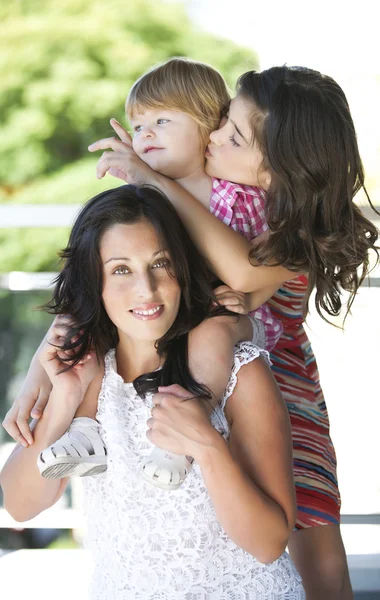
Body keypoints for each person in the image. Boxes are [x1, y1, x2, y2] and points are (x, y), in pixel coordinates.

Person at [85, 60, 379, 599]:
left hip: (283, 388)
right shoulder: (207, 191)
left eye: (234, 135)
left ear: (278, 168)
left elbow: (242, 272)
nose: (215, 136)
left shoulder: (295, 231)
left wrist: (151, 178)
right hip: (203, 381)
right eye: (219, 124)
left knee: (311, 532)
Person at [0, 184, 305, 599]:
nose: (146, 288)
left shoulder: (238, 371)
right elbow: (19, 505)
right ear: (95, 283)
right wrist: (63, 402)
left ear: (182, 268)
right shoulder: (91, 377)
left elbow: (269, 545)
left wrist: (207, 446)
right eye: (121, 269)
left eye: (160, 264)